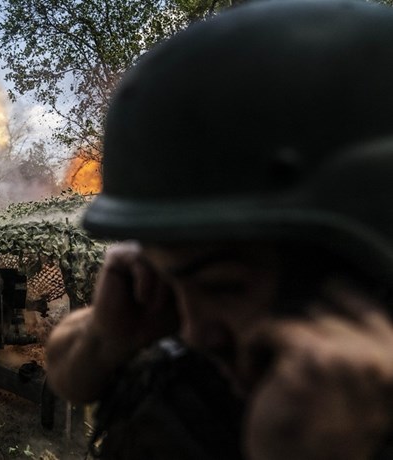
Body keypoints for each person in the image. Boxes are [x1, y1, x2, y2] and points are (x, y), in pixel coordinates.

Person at [45, 1, 393, 459]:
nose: (191, 332)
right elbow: (68, 367)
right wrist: (104, 338)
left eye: (224, 285)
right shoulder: (215, 347)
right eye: (169, 282)